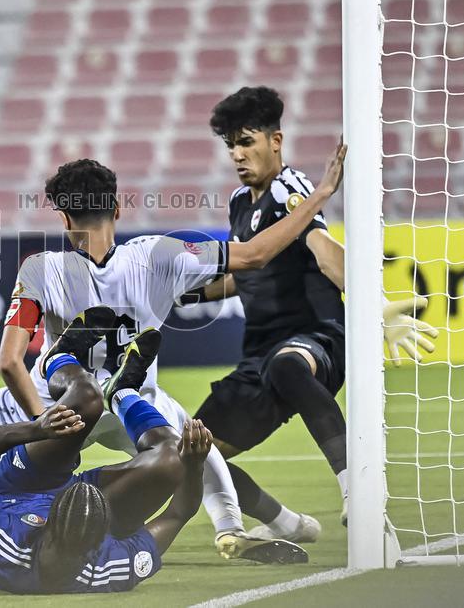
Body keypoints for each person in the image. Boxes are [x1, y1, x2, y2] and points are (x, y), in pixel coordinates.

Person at [0, 140, 345, 559]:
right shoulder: (160, 253)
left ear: (63, 219)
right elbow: (253, 255)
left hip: (58, 401)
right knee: (197, 447)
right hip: (130, 402)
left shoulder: (41, 268)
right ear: (117, 208)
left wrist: (42, 423)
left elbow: (8, 361)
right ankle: (231, 527)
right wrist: (320, 194)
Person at [184, 86, 438, 539]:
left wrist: (377, 307)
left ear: (274, 142)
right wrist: (188, 295)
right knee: (191, 453)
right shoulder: (240, 204)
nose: (238, 155)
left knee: (287, 365)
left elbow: (325, 254)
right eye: (231, 146)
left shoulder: (291, 189)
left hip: (316, 340)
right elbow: (247, 273)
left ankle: (355, 489)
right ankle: (289, 524)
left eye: (247, 142)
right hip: (258, 359)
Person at [0, 323, 216, 593]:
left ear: (47, 526)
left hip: (21, 485)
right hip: (84, 512)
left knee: (86, 399)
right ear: (102, 541)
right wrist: (194, 465)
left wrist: (36, 429)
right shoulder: (110, 567)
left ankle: (57, 358)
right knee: (173, 460)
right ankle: (123, 392)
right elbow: (179, 514)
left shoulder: (0, 544)